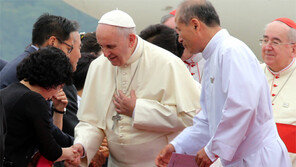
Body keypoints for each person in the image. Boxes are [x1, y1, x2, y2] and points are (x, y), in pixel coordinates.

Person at [155, 1, 291, 167]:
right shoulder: (213, 56)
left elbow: (242, 106)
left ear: (195, 25)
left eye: (180, 31)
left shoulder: (231, 51)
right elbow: (206, 119)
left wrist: (212, 150)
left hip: (257, 159)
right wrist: (177, 146)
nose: (180, 39)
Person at [68, 9, 201, 166]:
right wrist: (82, 146)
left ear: (131, 40)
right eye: (102, 46)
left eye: (110, 46)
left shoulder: (167, 63)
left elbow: (191, 116)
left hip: (157, 163)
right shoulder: (98, 66)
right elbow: (91, 122)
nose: (105, 54)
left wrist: (139, 110)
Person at [0, 13, 81, 138]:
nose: (69, 55)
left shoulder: (26, 62)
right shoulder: (33, 69)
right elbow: (47, 136)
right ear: (53, 42)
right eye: (68, 48)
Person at [0, 47, 79, 166]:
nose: (58, 91)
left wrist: (58, 110)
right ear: (54, 81)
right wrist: (73, 153)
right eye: (60, 86)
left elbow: (52, 133)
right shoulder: (33, 100)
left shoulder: (7, 92)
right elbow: (50, 149)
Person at [260, 18, 296, 165]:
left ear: (293, 49)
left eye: (275, 42)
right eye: (265, 40)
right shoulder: (251, 74)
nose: (267, 47)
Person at [161, 9, 205, 82]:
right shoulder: (163, 65)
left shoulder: (212, 59)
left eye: (180, 32)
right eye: (170, 35)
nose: (178, 39)